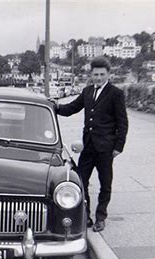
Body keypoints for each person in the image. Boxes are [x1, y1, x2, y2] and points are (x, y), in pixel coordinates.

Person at [54, 57, 128, 232]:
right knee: (81, 181)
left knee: (105, 183)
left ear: (108, 74)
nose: (99, 78)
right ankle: (86, 216)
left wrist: (118, 147)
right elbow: (71, 108)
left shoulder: (115, 93)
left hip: (105, 148)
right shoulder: (87, 92)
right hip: (88, 147)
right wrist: (54, 106)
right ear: (91, 74)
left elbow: (122, 122)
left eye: (102, 74)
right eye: (96, 74)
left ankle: (101, 217)